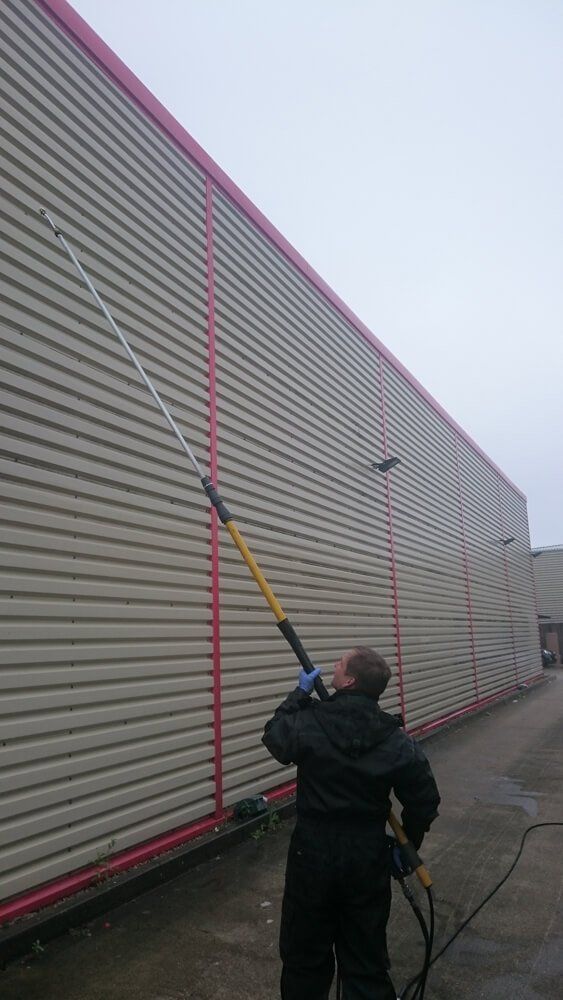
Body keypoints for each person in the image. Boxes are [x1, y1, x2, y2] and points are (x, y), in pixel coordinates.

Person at [262, 646, 440, 1000]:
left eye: (340, 663)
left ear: (349, 680)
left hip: (312, 856)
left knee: (304, 959)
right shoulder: (395, 740)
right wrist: (407, 845)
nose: (333, 664)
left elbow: (275, 737)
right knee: (364, 961)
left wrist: (298, 694)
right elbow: (424, 800)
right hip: (367, 857)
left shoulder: (311, 721)